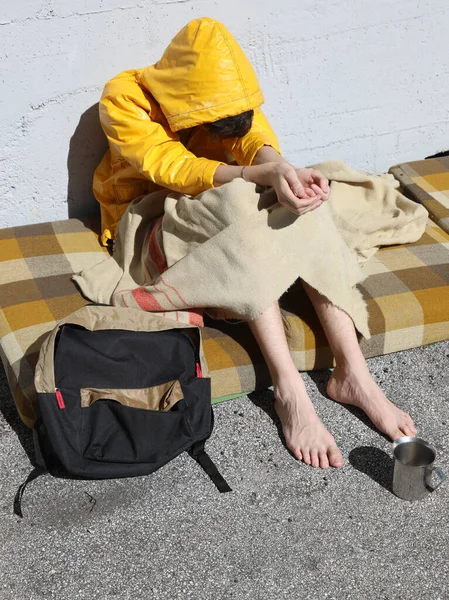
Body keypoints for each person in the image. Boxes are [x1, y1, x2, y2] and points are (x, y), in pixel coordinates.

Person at [93, 16, 416, 469]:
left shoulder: (225, 89)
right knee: (241, 206)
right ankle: (288, 389)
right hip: (148, 218)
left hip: (221, 203)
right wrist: (254, 176)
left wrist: (284, 171)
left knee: (303, 203)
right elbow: (172, 168)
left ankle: (353, 372)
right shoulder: (122, 98)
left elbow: (252, 140)